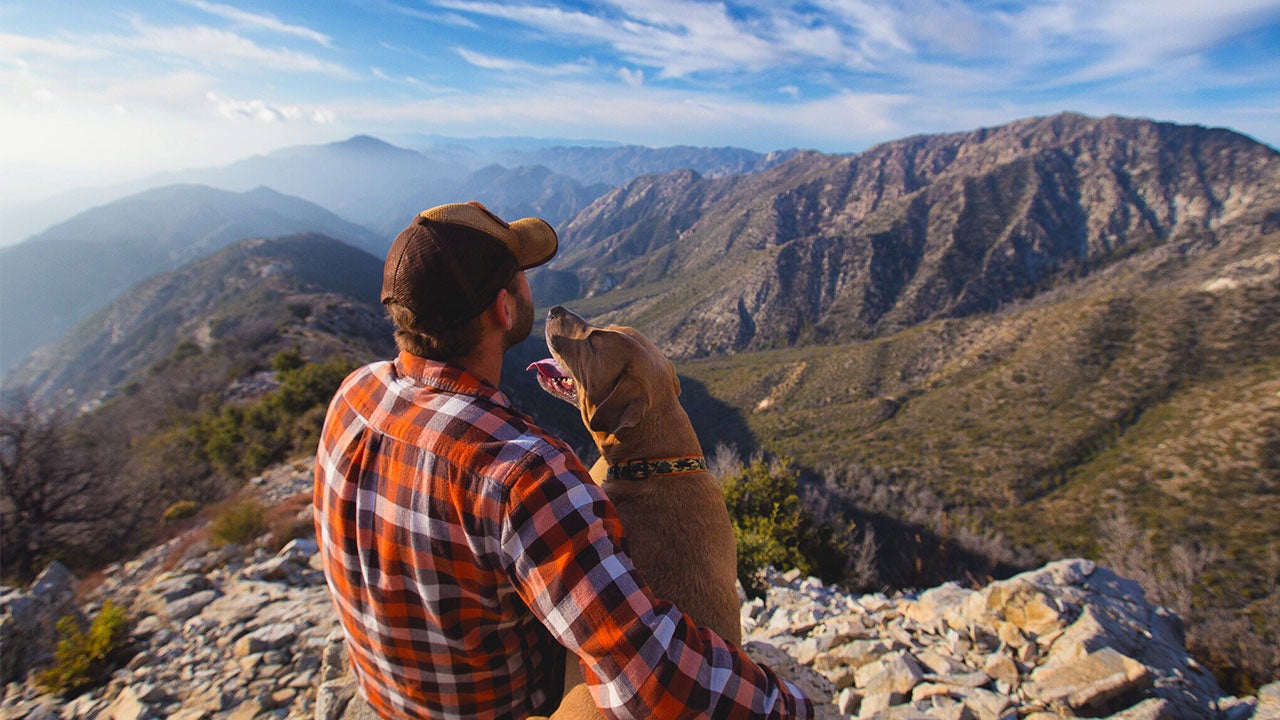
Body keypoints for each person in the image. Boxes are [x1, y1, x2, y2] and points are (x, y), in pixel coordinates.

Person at [313, 201, 815, 720]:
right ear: (504, 310)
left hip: (386, 699)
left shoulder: (354, 394)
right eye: (520, 275)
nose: (530, 284)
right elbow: (652, 676)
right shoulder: (521, 472)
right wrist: (796, 708)